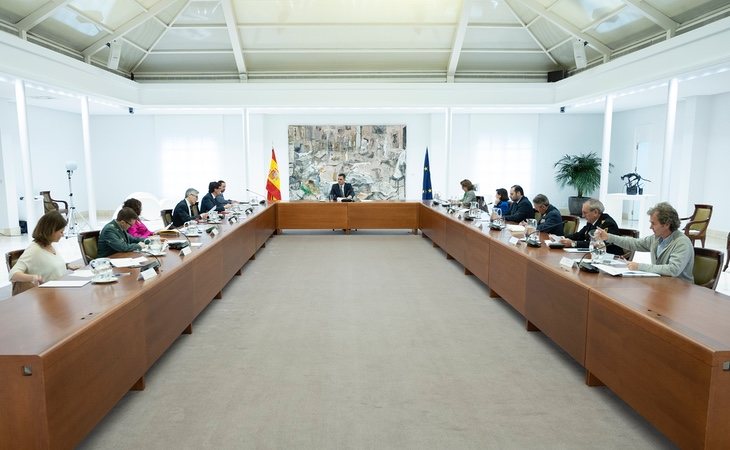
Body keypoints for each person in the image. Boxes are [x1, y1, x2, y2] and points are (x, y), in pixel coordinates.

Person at [594, 202, 694, 282]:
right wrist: (608, 237)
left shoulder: (682, 243)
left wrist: (639, 266)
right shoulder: (656, 238)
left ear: (667, 224)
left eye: (653, 223)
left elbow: (673, 270)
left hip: (680, 290)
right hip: (662, 284)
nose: (650, 227)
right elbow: (634, 243)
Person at [9, 211, 71, 291]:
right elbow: (13, 274)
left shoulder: (50, 245)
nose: (63, 235)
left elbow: (47, 264)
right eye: (61, 232)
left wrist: (67, 265)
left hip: (59, 291)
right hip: (46, 296)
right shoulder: (34, 250)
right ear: (51, 231)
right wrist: (33, 277)